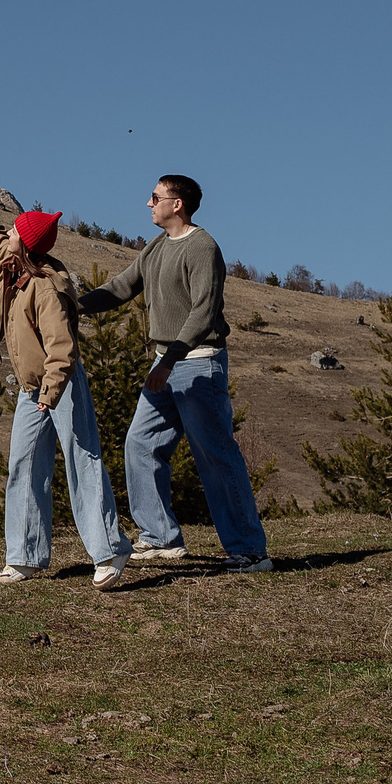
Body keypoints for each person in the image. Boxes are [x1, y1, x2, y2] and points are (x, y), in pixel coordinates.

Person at [0, 172, 125, 589]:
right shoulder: (6, 260)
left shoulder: (48, 290)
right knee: (24, 465)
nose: (8, 230)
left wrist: (49, 394)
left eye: (16, 229)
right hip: (33, 389)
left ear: (27, 243)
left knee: (82, 462)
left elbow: (61, 350)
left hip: (61, 385)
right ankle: (25, 556)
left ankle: (109, 553)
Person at [76, 173, 273, 572]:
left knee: (215, 455)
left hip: (198, 363)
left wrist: (169, 362)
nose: (148, 203)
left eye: (155, 197)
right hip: (165, 362)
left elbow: (203, 312)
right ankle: (160, 537)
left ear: (177, 204)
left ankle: (250, 551)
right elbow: (119, 287)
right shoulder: (156, 248)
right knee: (141, 444)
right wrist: (72, 305)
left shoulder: (203, 247)